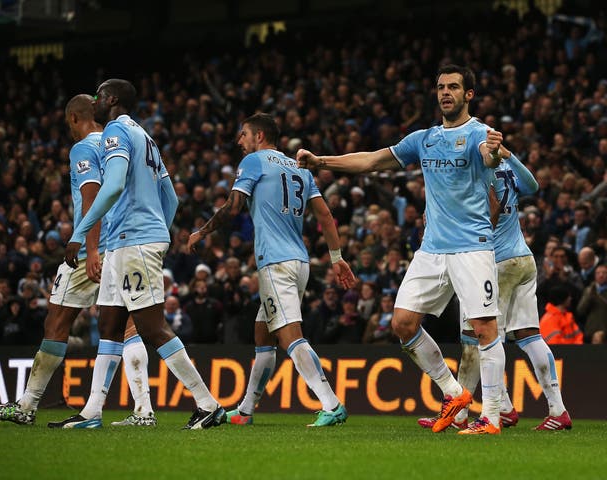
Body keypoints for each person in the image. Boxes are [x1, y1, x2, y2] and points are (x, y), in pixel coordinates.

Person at [298, 64, 506, 434]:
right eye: (441, 86)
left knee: (485, 328)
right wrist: (321, 162)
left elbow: (490, 158)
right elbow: (372, 160)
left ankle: (489, 417)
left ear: (468, 95)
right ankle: (454, 393)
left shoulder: (478, 134)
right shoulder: (423, 139)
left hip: (472, 247)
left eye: (454, 87)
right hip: (432, 249)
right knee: (402, 323)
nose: (446, 92)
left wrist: (495, 153)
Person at [50, 80, 224, 430]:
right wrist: (160, 230)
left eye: (98, 96)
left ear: (111, 100)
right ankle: (92, 412)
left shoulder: (115, 131)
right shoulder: (145, 137)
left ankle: (208, 404)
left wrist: (80, 233)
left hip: (133, 239)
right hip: (125, 241)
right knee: (110, 325)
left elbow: (112, 185)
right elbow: (170, 198)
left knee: (151, 326)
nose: (95, 102)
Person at [0, 94, 156, 427]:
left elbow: (91, 195)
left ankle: (26, 406)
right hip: (125, 243)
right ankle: (143, 410)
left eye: (68, 124)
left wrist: (89, 249)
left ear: (75, 119)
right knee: (129, 326)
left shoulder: (83, 148)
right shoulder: (115, 141)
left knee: (57, 323)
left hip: (92, 249)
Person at [187, 113, 356, 426]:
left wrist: (202, 231)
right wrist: (336, 257)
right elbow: (325, 215)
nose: (240, 141)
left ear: (259, 137)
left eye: (243, 134)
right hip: (300, 262)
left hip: (275, 263)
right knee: (263, 334)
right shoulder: (300, 168)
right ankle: (247, 409)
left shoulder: (254, 162)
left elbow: (234, 206)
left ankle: (332, 404)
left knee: (290, 335)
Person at [419, 143, 573, 431]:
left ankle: (462, 415)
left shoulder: (478, 171)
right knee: (528, 334)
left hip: (494, 262)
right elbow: (533, 185)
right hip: (523, 258)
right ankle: (557, 410)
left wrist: (467, 238)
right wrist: (509, 155)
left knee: (476, 337)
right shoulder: (505, 168)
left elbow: (490, 207)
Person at [577, 263, 607, 344]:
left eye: (604, 273)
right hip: (591, 331)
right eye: (598, 273)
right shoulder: (589, 290)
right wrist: (590, 295)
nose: (601, 275)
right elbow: (580, 311)